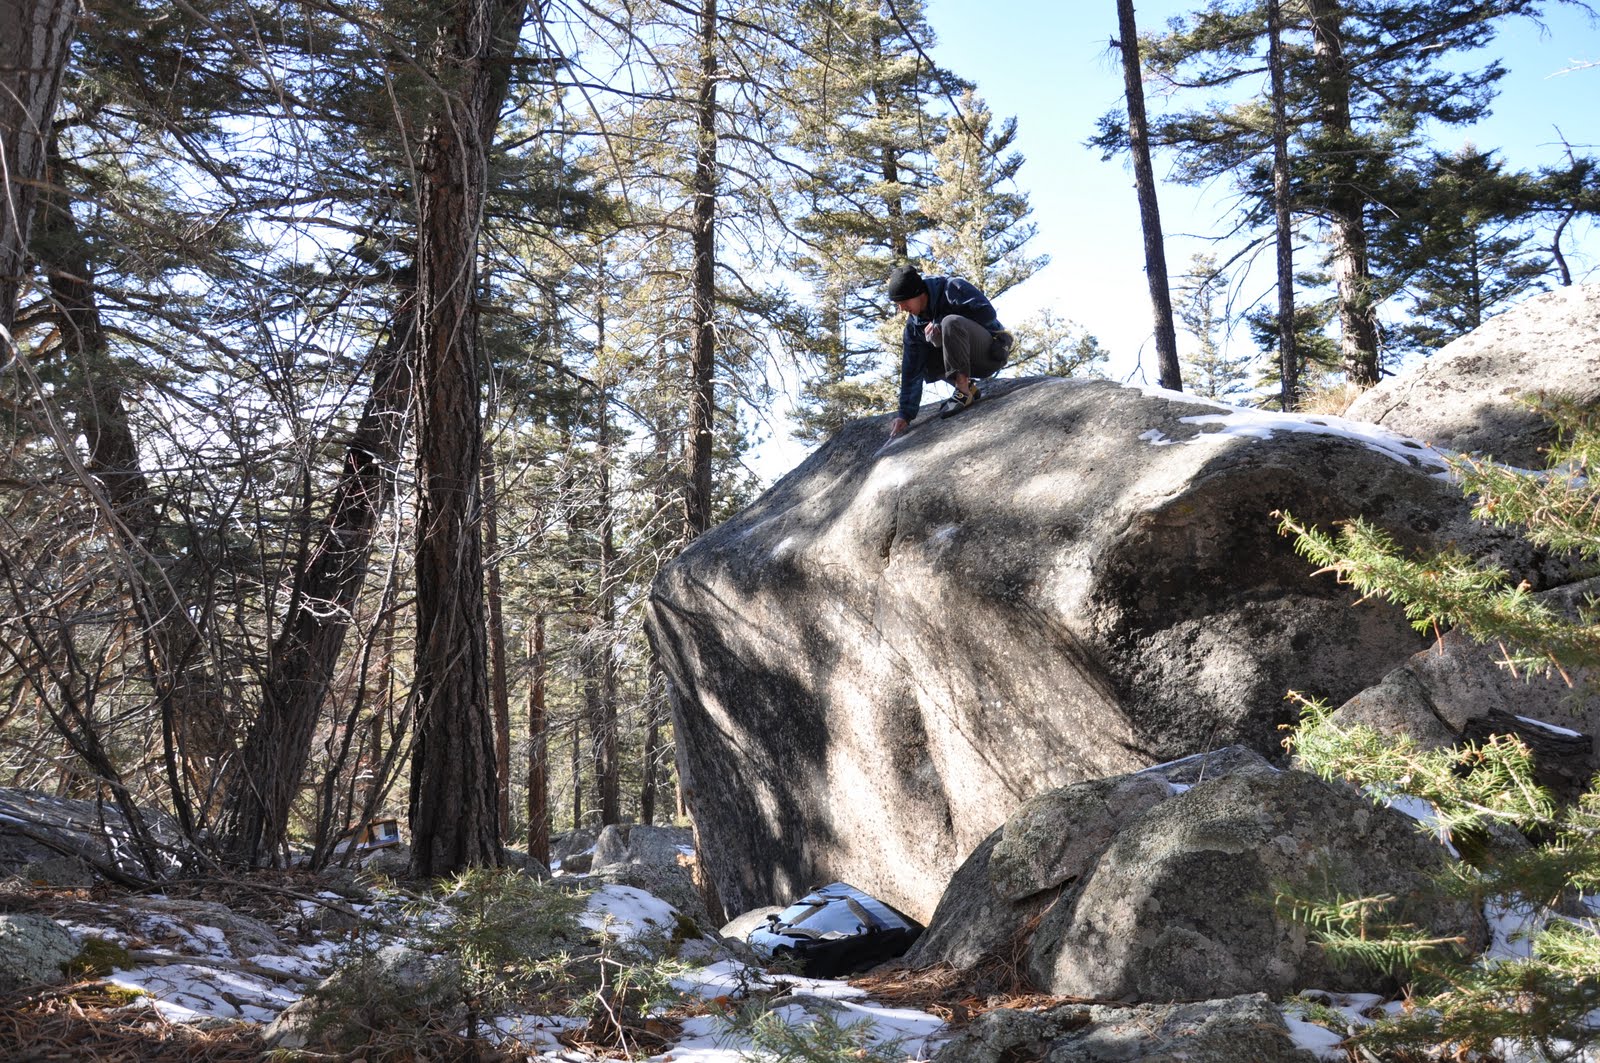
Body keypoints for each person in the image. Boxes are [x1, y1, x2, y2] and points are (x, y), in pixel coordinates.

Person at [885, 264, 1012, 439]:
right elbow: (911, 369)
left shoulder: (951, 288)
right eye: (898, 305)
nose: (902, 309)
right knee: (921, 356)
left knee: (950, 322)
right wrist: (904, 414)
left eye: (904, 302)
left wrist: (940, 321)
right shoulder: (914, 325)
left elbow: (987, 313)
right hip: (965, 361)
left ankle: (962, 392)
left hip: (988, 353)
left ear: (917, 293)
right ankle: (968, 388)